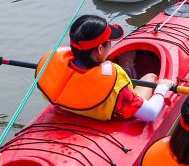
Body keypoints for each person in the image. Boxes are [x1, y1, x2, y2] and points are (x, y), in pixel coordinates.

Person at [37, 15, 174, 122]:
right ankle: (130, 72)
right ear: (100, 48)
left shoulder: (52, 67)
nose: (111, 45)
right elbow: (150, 114)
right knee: (149, 76)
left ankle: (128, 68)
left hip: (72, 107)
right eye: (109, 43)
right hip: (110, 112)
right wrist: (162, 88)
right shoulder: (115, 82)